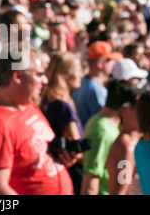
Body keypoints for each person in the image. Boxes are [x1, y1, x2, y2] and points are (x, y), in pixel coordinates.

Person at [0, 48, 75, 195]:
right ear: (17, 76)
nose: (45, 80)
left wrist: (63, 157)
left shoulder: (28, 106)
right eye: (39, 74)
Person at [81, 79, 139, 195]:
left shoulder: (107, 124)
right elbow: (91, 179)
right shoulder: (102, 131)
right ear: (124, 109)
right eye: (135, 106)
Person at [41, 51, 85, 194]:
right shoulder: (62, 106)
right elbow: (77, 151)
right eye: (78, 70)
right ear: (64, 73)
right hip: (71, 176)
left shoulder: (46, 99)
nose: (81, 75)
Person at [72, 41, 123, 127]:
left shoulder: (82, 82)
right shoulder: (96, 90)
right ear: (100, 64)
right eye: (109, 60)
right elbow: (104, 123)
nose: (113, 64)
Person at [105, 90, 142, 195]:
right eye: (136, 106)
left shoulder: (138, 140)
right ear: (122, 110)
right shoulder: (125, 146)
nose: (142, 111)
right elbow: (120, 190)